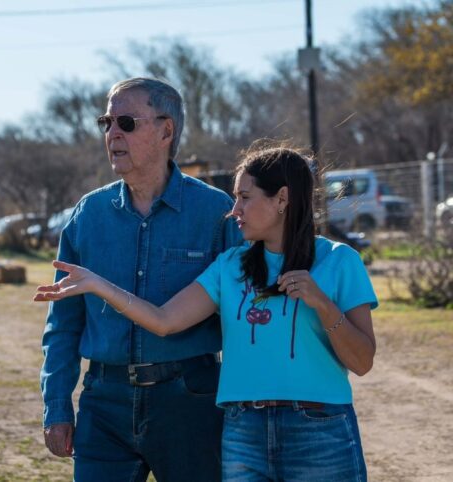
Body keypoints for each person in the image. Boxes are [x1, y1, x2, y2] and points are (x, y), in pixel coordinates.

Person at [35, 146, 377, 481]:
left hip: (319, 431)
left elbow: (362, 362)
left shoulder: (339, 261)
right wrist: (98, 284)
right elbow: (164, 321)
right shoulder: (229, 267)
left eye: (245, 197)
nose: (234, 210)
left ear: (282, 199)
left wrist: (322, 303)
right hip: (245, 434)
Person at [40, 77, 243, 482]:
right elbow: (63, 325)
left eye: (127, 123)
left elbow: (242, 322)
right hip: (104, 403)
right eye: (107, 123)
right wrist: (58, 406)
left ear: (166, 131)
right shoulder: (87, 216)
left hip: (192, 402)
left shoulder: (217, 214)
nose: (113, 133)